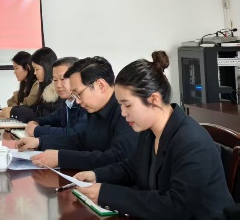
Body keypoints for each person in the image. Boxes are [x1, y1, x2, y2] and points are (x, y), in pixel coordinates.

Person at [74, 52, 234, 220]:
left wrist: (107, 194)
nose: (123, 113)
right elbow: (133, 168)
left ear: (154, 99)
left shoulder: (191, 141)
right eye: (120, 105)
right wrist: (96, 175)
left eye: (127, 105)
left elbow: (176, 207)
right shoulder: (149, 132)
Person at [17, 56, 137, 171]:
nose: (78, 101)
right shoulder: (95, 108)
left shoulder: (126, 112)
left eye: (79, 94)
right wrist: (40, 142)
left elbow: (118, 158)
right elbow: (81, 140)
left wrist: (61, 158)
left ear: (100, 86)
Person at [23, 57, 87, 138]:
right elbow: (49, 119)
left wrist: (37, 131)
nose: (58, 85)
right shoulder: (66, 102)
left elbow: (74, 134)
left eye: (63, 79)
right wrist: (35, 122)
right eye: (55, 80)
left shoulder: (86, 103)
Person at [1, 49, 61, 122]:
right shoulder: (41, 86)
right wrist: (11, 111)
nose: (35, 73)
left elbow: (40, 115)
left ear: (46, 67)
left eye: (37, 69)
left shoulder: (55, 91)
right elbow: (35, 109)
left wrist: (13, 111)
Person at [0, 49, 51, 119]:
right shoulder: (24, 84)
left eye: (16, 68)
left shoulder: (38, 84)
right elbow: (11, 101)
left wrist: (13, 111)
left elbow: (27, 105)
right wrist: (8, 112)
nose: (14, 72)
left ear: (27, 67)